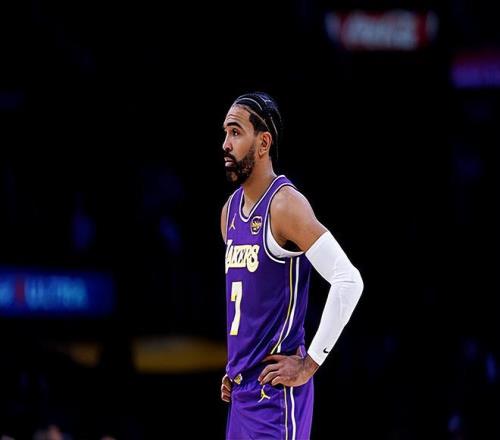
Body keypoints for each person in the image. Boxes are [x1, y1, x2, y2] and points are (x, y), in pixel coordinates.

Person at [220, 91, 364, 440]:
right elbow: (252, 303)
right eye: (225, 133)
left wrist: (309, 364)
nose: (226, 144)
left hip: (275, 398)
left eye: (236, 132)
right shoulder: (228, 213)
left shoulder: (285, 205)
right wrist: (237, 367)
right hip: (241, 394)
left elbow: (349, 280)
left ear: (263, 142)